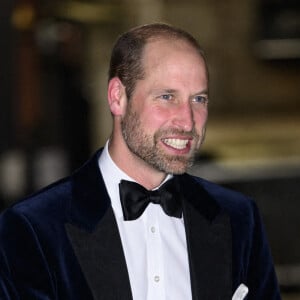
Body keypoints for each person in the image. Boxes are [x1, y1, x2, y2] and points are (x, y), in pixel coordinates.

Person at [0, 23, 281, 299]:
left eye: (198, 99)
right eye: (167, 96)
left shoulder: (239, 218)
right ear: (118, 97)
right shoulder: (33, 228)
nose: (188, 121)